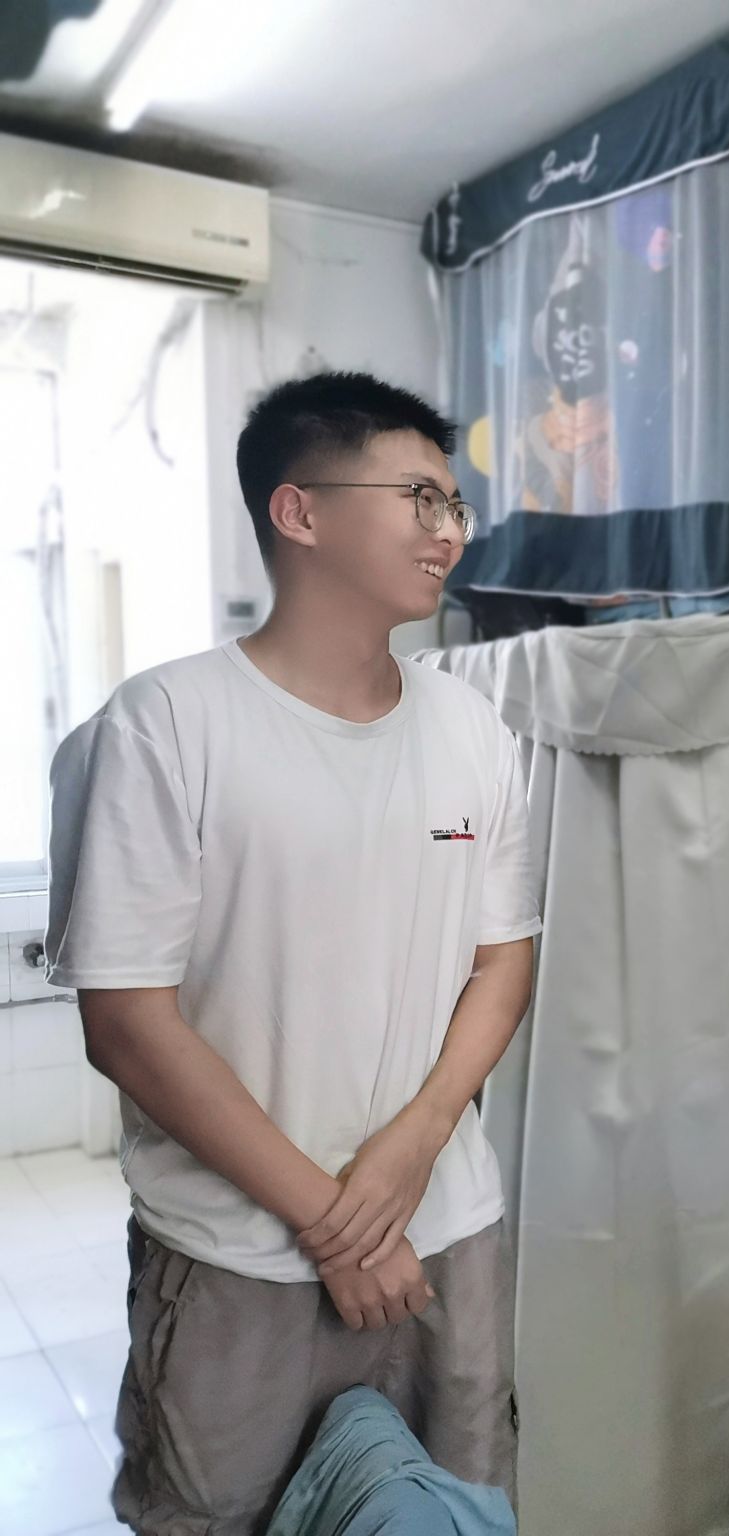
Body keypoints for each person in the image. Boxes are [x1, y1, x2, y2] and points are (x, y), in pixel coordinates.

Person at [44, 372, 540, 1533]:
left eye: (455, 504)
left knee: (454, 1509)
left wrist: (418, 1145)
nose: (448, 529)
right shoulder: (167, 724)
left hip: (447, 1230)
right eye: (418, 496)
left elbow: (502, 962)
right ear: (299, 511)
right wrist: (330, 1223)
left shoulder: (472, 729)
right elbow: (128, 1023)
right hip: (241, 1259)